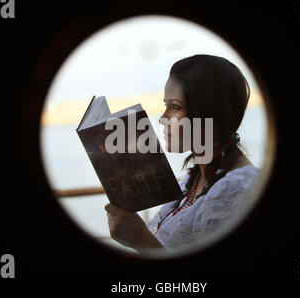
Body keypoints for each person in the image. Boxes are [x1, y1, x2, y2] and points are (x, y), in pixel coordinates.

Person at [105, 54, 260, 253]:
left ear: (207, 113)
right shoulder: (192, 179)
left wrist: (140, 239)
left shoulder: (239, 188)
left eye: (175, 107)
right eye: (165, 106)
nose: (163, 118)